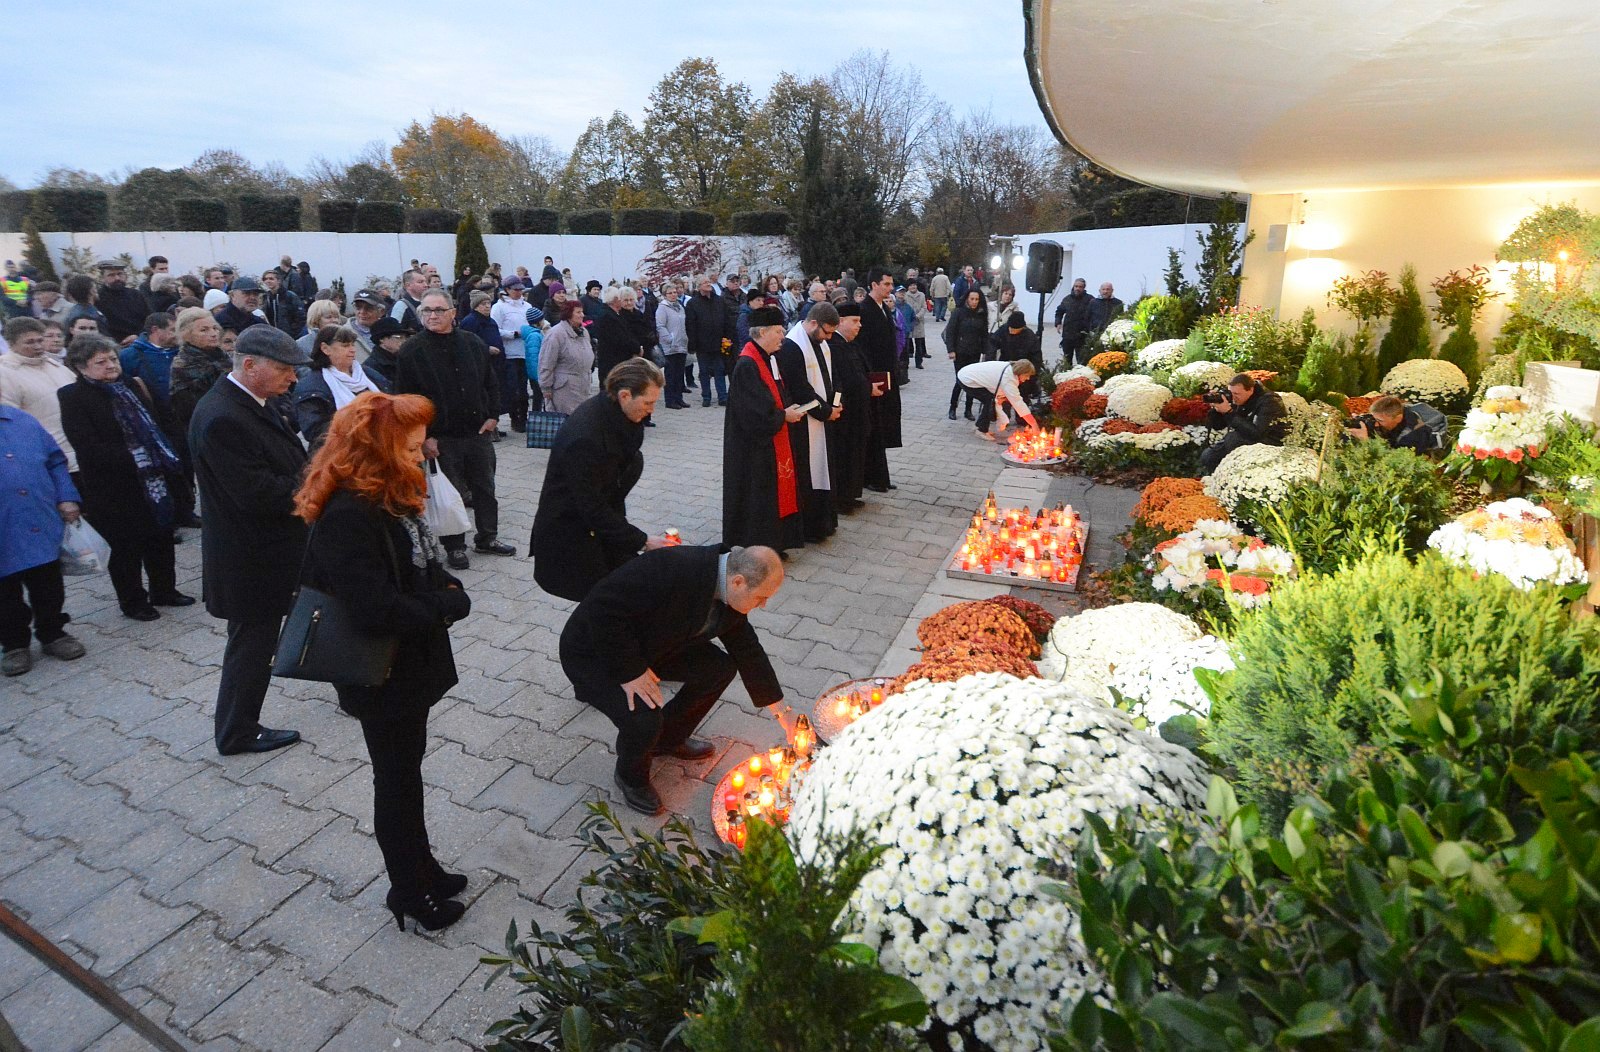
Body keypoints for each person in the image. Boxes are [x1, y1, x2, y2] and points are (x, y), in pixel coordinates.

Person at [289, 393, 473, 931]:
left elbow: (415, 564)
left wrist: (445, 582)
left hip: (406, 665)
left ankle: (426, 868)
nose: (420, 455)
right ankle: (410, 893)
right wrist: (444, 603)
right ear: (378, 448)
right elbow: (373, 608)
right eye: (410, 446)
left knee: (407, 773)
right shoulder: (349, 513)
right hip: (381, 673)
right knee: (395, 781)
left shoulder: (388, 493)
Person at [558, 544, 788, 815]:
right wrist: (631, 672)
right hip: (596, 652)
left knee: (719, 668)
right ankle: (631, 776)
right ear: (738, 581)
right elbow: (602, 610)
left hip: (652, 646)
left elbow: (746, 647)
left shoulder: (729, 589)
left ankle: (668, 740)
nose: (763, 604)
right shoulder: (673, 568)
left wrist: (782, 712)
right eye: (761, 597)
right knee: (644, 718)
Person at [188, 326, 311, 755]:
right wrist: (316, 489)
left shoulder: (248, 401)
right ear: (250, 364)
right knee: (252, 646)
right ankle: (237, 731)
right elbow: (256, 492)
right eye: (283, 370)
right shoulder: (223, 415)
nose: (292, 379)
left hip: (269, 550)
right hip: (251, 558)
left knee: (262, 638)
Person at [58, 335, 192, 620]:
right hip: (113, 484)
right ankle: (133, 601)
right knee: (125, 547)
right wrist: (137, 454)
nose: (110, 365)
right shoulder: (73, 397)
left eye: (113, 359)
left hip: (152, 479)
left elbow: (154, 423)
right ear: (82, 367)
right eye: (101, 362)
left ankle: (164, 590)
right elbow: (86, 444)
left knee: (160, 536)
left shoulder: (130, 384)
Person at [395, 289, 512, 569]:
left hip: (477, 432)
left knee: (485, 487)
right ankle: (455, 545)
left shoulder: (472, 343)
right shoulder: (411, 351)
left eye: (438, 310)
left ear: (452, 313)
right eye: (427, 311)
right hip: (440, 438)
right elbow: (405, 401)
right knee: (450, 493)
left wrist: (493, 415)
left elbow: (490, 382)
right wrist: (423, 436)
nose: (432, 316)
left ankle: (487, 537)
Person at [532, 359, 667, 602]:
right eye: (648, 402)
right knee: (604, 601)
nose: (651, 410)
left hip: (601, 525)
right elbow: (590, 506)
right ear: (625, 395)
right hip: (571, 536)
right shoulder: (585, 438)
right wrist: (643, 541)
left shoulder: (621, 417)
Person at [0, 404, 87, 677]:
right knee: (4, 593)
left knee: (47, 582)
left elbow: (55, 460)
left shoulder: (20, 419)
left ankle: (53, 633)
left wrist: (66, 496)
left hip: (38, 518)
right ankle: (14, 644)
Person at [723, 306, 809, 555]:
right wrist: (783, 415)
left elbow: (773, 396)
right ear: (762, 332)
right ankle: (760, 545)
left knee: (771, 494)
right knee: (759, 496)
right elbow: (754, 413)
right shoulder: (748, 365)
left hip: (770, 440)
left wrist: (786, 407)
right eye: (779, 331)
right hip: (755, 446)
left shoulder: (768, 358)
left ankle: (776, 541)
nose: (783, 336)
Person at [778, 303, 845, 542]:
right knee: (810, 471)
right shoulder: (792, 346)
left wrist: (836, 403)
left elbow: (832, 377)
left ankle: (826, 520)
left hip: (825, 415)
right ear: (813, 323)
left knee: (825, 467)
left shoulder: (822, 343)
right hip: (807, 422)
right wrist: (825, 412)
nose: (828, 337)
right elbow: (799, 388)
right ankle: (811, 526)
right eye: (826, 332)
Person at [0, 317, 77, 474]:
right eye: (29, 342)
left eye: (40, 340)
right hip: (51, 460)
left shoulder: (57, 367)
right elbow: (11, 425)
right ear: (11, 344)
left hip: (80, 452)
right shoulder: (5, 374)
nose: (37, 346)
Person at [294, 326, 388, 450]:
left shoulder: (369, 375)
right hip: (338, 455)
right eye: (345, 346)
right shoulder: (311, 386)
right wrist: (361, 422)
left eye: (352, 345)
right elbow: (315, 431)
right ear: (325, 349)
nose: (352, 350)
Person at [858, 268, 902, 493]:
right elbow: (863, 347)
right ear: (874, 285)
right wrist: (870, 378)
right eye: (886, 284)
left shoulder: (884, 307)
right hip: (875, 377)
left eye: (890, 284)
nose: (890, 288)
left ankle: (880, 475)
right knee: (874, 427)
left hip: (887, 374)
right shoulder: (865, 310)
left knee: (883, 426)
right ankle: (873, 477)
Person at [1200, 372, 1288, 472]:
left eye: (1236, 394)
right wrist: (1217, 409)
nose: (1233, 398)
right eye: (1231, 393)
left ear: (1250, 389)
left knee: (1233, 439)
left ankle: (1234, 477)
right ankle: (1217, 481)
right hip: (1244, 438)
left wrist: (1229, 412)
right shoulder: (1238, 399)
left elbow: (1257, 433)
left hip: (1268, 442)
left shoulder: (1270, 401)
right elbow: (1218, 426)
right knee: (1208, 456)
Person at [168, 308, 230, 438]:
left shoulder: (223, 356)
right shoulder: (183, 366)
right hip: (208, 431)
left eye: (215, 328)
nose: (213, 333)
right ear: (187, 335)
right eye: (204, 330)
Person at [458, 290, 507, 440]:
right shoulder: (470, 321)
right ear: (476, 306)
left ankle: (495, 424)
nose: (487, 306)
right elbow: (466, 344)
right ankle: (488, 427)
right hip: (481, 363)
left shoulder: (491, 321)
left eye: (488, 303)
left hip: (496, 363)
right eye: (483, 304)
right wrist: (486, 349)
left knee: (496, 393)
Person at [491, 280, 537, 433]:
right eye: (515, 290)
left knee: (524, 390)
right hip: (510, 353)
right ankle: (515, 418)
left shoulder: (527, 306)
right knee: (513, 389)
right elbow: (495, 329)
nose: (519, 293)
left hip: (526, 352)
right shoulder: (499, 307)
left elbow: (534, 324)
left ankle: (524, 417)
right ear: (507, 290)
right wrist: (513, 334)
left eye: (520, 290)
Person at [956, 358, 1040, 440]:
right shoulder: (1009, 378)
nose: (1028, 378)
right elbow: (1018, 403)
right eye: (1027, 375)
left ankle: (980, 425)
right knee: (989, 401)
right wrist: (1034, 424)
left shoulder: (1010, 368)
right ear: (1020, 372)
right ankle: (981, 430)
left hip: (967, 373)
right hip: (967, 379)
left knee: (990, 400)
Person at [539, 300, 595, 416]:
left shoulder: (583, 331)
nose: (582, 315)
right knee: (566, 421)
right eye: (578, 312)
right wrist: (546, 387)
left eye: (582, 312)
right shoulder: (556, 334)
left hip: (583, 384)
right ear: (569, 314)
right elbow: (546, 362)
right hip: (564, 388)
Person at [685, 275, 733, 407]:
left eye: (708, 282)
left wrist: (727, 337)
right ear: (699, 286)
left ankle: (722, 396)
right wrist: (693, 343)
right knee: (704, 371)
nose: (708, 284)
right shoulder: (693, 304)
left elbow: (727, 320)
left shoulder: (719, 301)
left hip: (718, 342)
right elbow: (690, 325)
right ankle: (706, 396)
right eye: (705, 283)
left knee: (720, 370)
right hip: (702, 344)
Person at [943, 288, 990, 421]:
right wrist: (951, 350)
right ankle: (953, 407)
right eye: (972, 299)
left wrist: (986, 352)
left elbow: (984, 335)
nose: (974, 302)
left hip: (974, 352)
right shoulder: (959, 312)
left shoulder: (981, 314)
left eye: (976, 299)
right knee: (960, 381)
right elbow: (950, 332)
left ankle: (968, 409)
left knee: (973, 381)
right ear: (967, 299)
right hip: (960, 352)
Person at [117, 312, 180, 407]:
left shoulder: (181, 352)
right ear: (155, 330)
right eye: (173, 330)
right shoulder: (129, 355)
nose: (177, 334)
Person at [1346, 394, 1441, 454]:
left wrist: (1366, 441)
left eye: (1380, 420)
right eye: (1374, 418)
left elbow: (1394, 461)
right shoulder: (1395, 413)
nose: (1376, 424)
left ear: (1398, 418)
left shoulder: (1413, 435)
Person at [592, 285, 642, 387]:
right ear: (615, 300)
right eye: (620, 299)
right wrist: (636, 348)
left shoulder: (613, 314)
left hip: (616, 361)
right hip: (612, 362)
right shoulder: (608, 317)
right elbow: (621, 339)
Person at [991, 311, 1044, 404]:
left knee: (1021, 398)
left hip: (1022, 371)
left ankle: (1021, 417)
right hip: (1006, 367)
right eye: (1010, 328)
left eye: (1014, 329)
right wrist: (990, 362)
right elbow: (992, 344)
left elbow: (1037, 359)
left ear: (1021, 328)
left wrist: (1032, 376)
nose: (1011, 331)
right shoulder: (1004, 329)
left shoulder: (1030, 337)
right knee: (1004, 396)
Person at [94, 260, 151, 344]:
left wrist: (138, 335)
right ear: (103, 278)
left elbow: (149, 318)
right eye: (111, 275)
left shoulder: (136, 295)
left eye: (120, 274)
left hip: (142, 341)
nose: (117, 278)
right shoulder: (97, 299)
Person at [655, 280, 690, 410]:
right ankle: (670, 400)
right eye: (670, 293)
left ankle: (679, 398)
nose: (673, 295)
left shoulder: (680, 306)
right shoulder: (662, 308)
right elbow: (660, 326)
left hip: (681, 344)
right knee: (671, 374)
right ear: (665, 295)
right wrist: (669, 339)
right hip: (670, 346)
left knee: (679, 373)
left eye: (675, 292)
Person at [1052, 278, 1094, 366]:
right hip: (1068, 335)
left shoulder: (1090, 300)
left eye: (1080, 287)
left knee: (1082, 361)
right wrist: (1058, 322)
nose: (1077, 288)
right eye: (1076, 286)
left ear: (1084, 288)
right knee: (1067, 361)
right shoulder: (1067, 299)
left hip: (1082, 336)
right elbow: (1059, 311)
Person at [361, 318, 411, 391]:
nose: (403, 341)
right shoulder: (371, 367)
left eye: (405, 338)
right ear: (381, 339)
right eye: (398, 337)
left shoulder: (405, 359)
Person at [259, 270, 305, 338]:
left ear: (279, 281)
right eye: (265, 279)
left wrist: (293, 333)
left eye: (271, 279)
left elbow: (301, 317)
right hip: (271, 336)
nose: (268, 281)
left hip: (289, 337)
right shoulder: (265, 298)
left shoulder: (290, 296)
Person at [903, 281, 929, 369]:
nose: (913, 287)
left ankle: (919, 362)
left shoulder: (921, 295)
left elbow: (924, 307)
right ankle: (906, 362)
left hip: (919, 321)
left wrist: (918, 315)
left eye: (914, 285)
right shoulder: (905, 295)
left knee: (919, 343)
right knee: (907, 343)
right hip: (909, 322)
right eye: (911, 285)